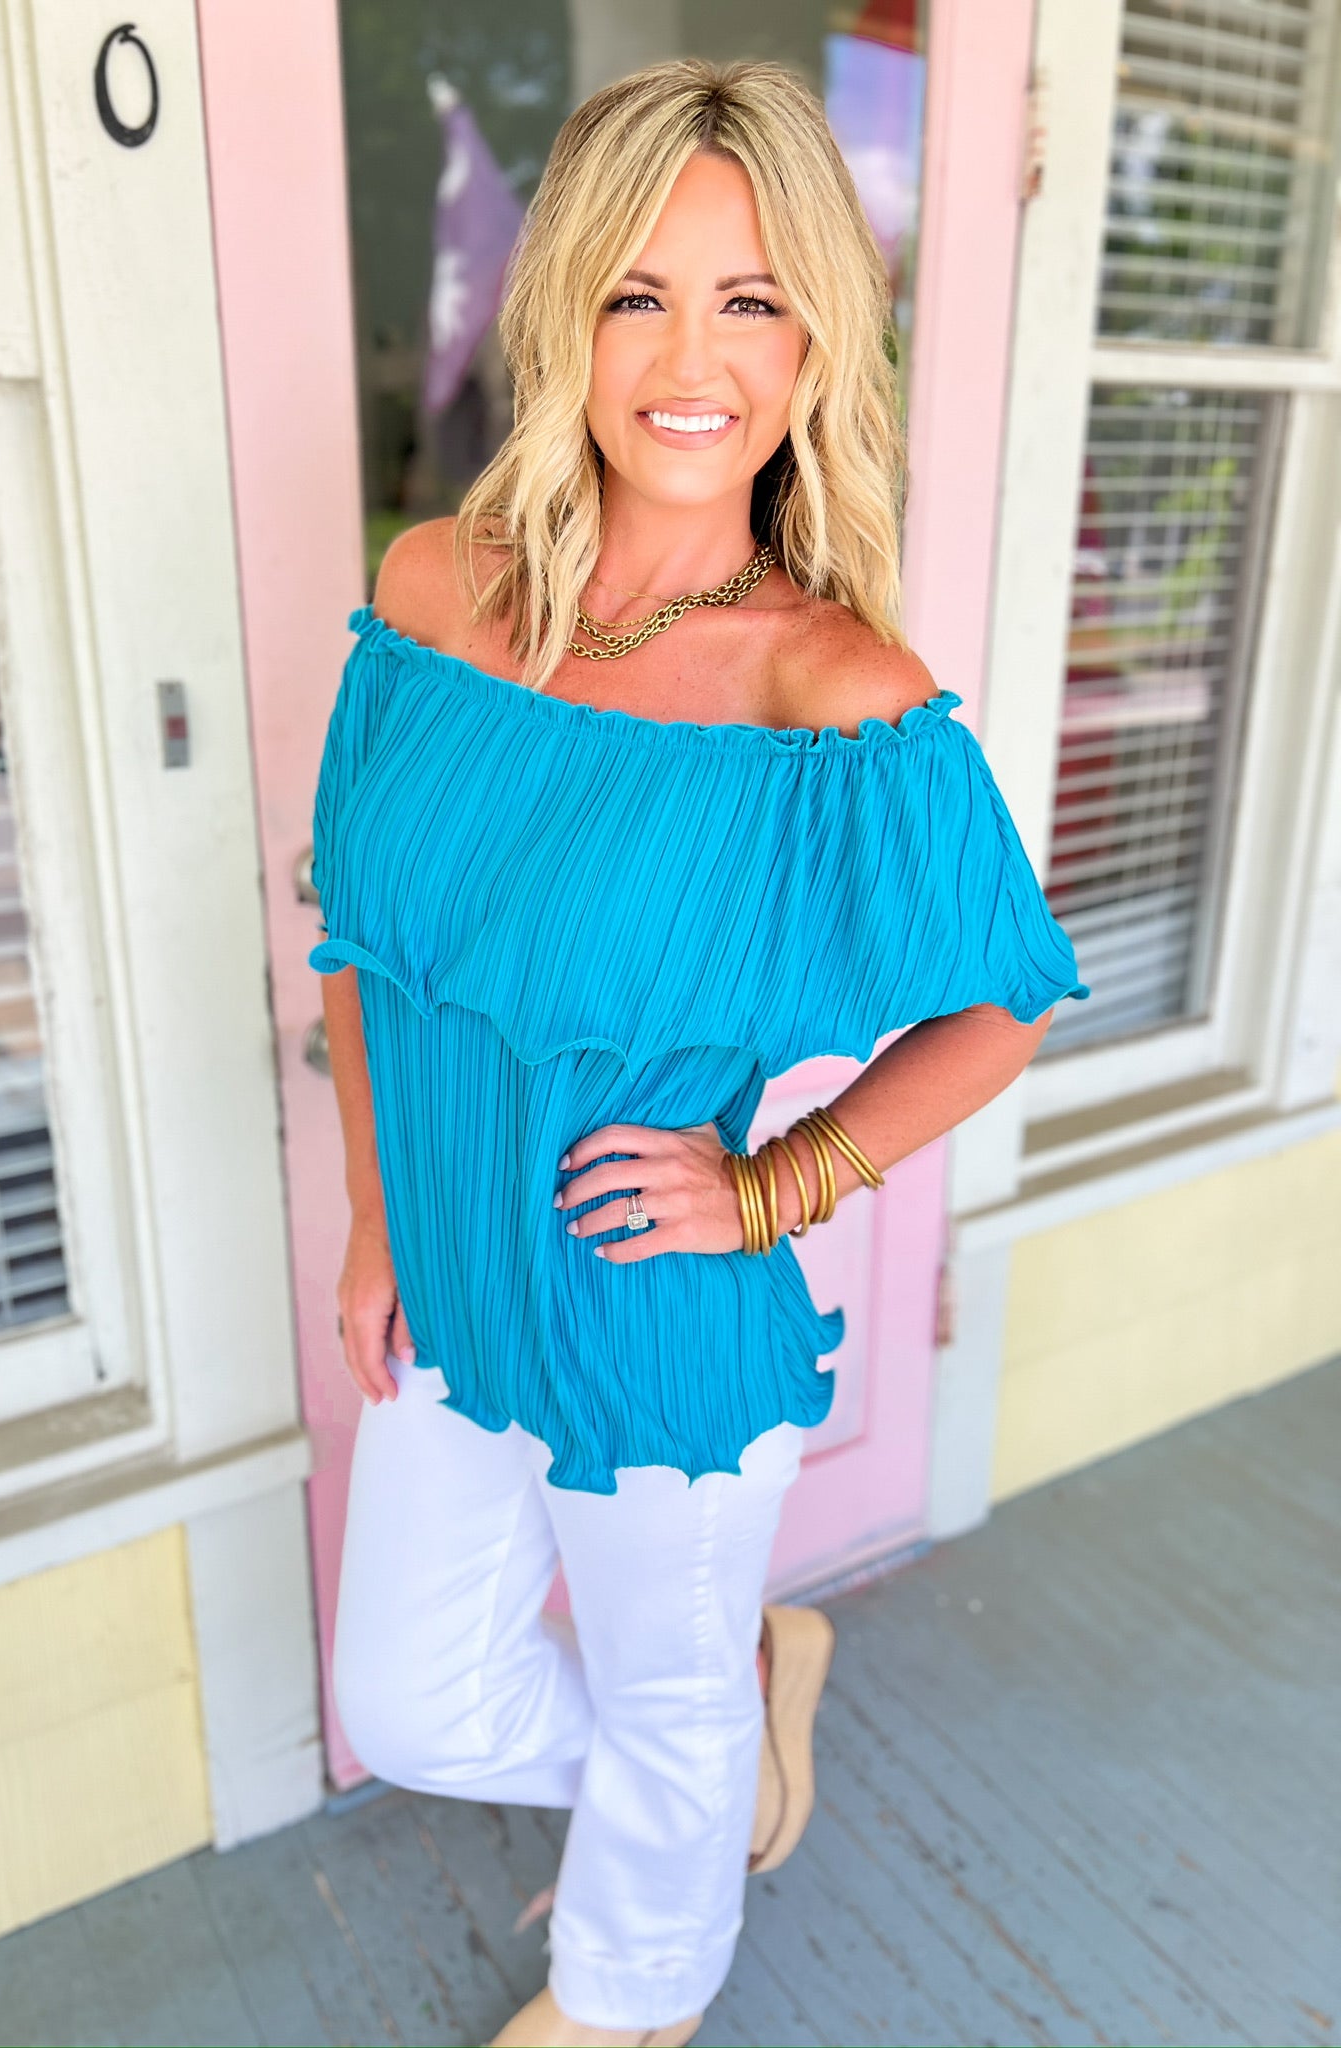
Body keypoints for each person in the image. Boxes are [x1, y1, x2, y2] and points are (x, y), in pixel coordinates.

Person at [309, 56, 1087, 2048]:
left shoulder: (833, 690)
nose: (687, 359)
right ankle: (728, 1722)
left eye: (751, 302)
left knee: (664, 1713)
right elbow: (363, 946)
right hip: (453, 1284)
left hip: (657, 1310)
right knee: (414, 1702)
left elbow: (1002, 997)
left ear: (817, 342)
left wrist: (773, 1187)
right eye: (637, 294)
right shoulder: (430, 593)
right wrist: (380, 1213)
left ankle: (629, 1993)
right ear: (558, 314)